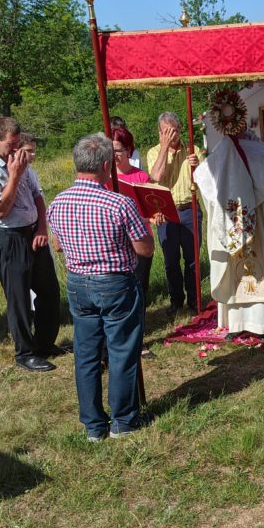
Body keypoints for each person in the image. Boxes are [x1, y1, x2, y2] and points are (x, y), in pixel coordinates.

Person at [47, 134, 154, 442]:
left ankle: (94, 425)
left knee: (87, 354)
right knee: (121, 351)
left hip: (78, 283)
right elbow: (145, 248)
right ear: (107, 166)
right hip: (115, 282)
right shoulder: (119, 203)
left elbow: (57, 245)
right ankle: (123, 420)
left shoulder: (59, 202)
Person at [194, 90, 264, 337]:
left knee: (256, 271)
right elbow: (206, 182)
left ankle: (263, 324)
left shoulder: (255, 149)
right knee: (239, 273)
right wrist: (197, 169)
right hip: (236, 226)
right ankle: (237, 324)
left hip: (257, 224)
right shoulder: (221, 153)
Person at [0, 116, 62, 372]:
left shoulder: (21, 160)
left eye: (18, 143)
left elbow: (37, 196)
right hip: (9, 236)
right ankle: (25, 352)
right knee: (19, 297)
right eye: (11, 144)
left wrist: (42, 228)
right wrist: (14, 176)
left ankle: (44, 343)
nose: (15, 149)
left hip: (33, 232)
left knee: (49, 292)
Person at [147, 111, 202, 316]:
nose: (171, 136)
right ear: (160, 133)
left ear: (180, 130)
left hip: (189, 209)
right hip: (166, 212)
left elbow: (206, 180)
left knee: (192, 259)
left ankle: (194, 300)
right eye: (166, 132)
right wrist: (164, 148)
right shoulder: (154, 152)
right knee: (171, 261)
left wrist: (198, 166)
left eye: (174, 131)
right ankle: (176, 301)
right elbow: (156, 176)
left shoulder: (193, 150)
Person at [111, 126, 159, 356]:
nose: (114, 156)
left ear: (129, 150)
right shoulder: (105, 179)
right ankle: (118, 341)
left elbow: (153, 208)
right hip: (115, 244)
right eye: (110, 151)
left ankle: (137, 341)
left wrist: (156, 214)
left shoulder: (141, 177)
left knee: (139, 291)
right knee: (119, 294)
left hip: (140, 240)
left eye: (118, 150)